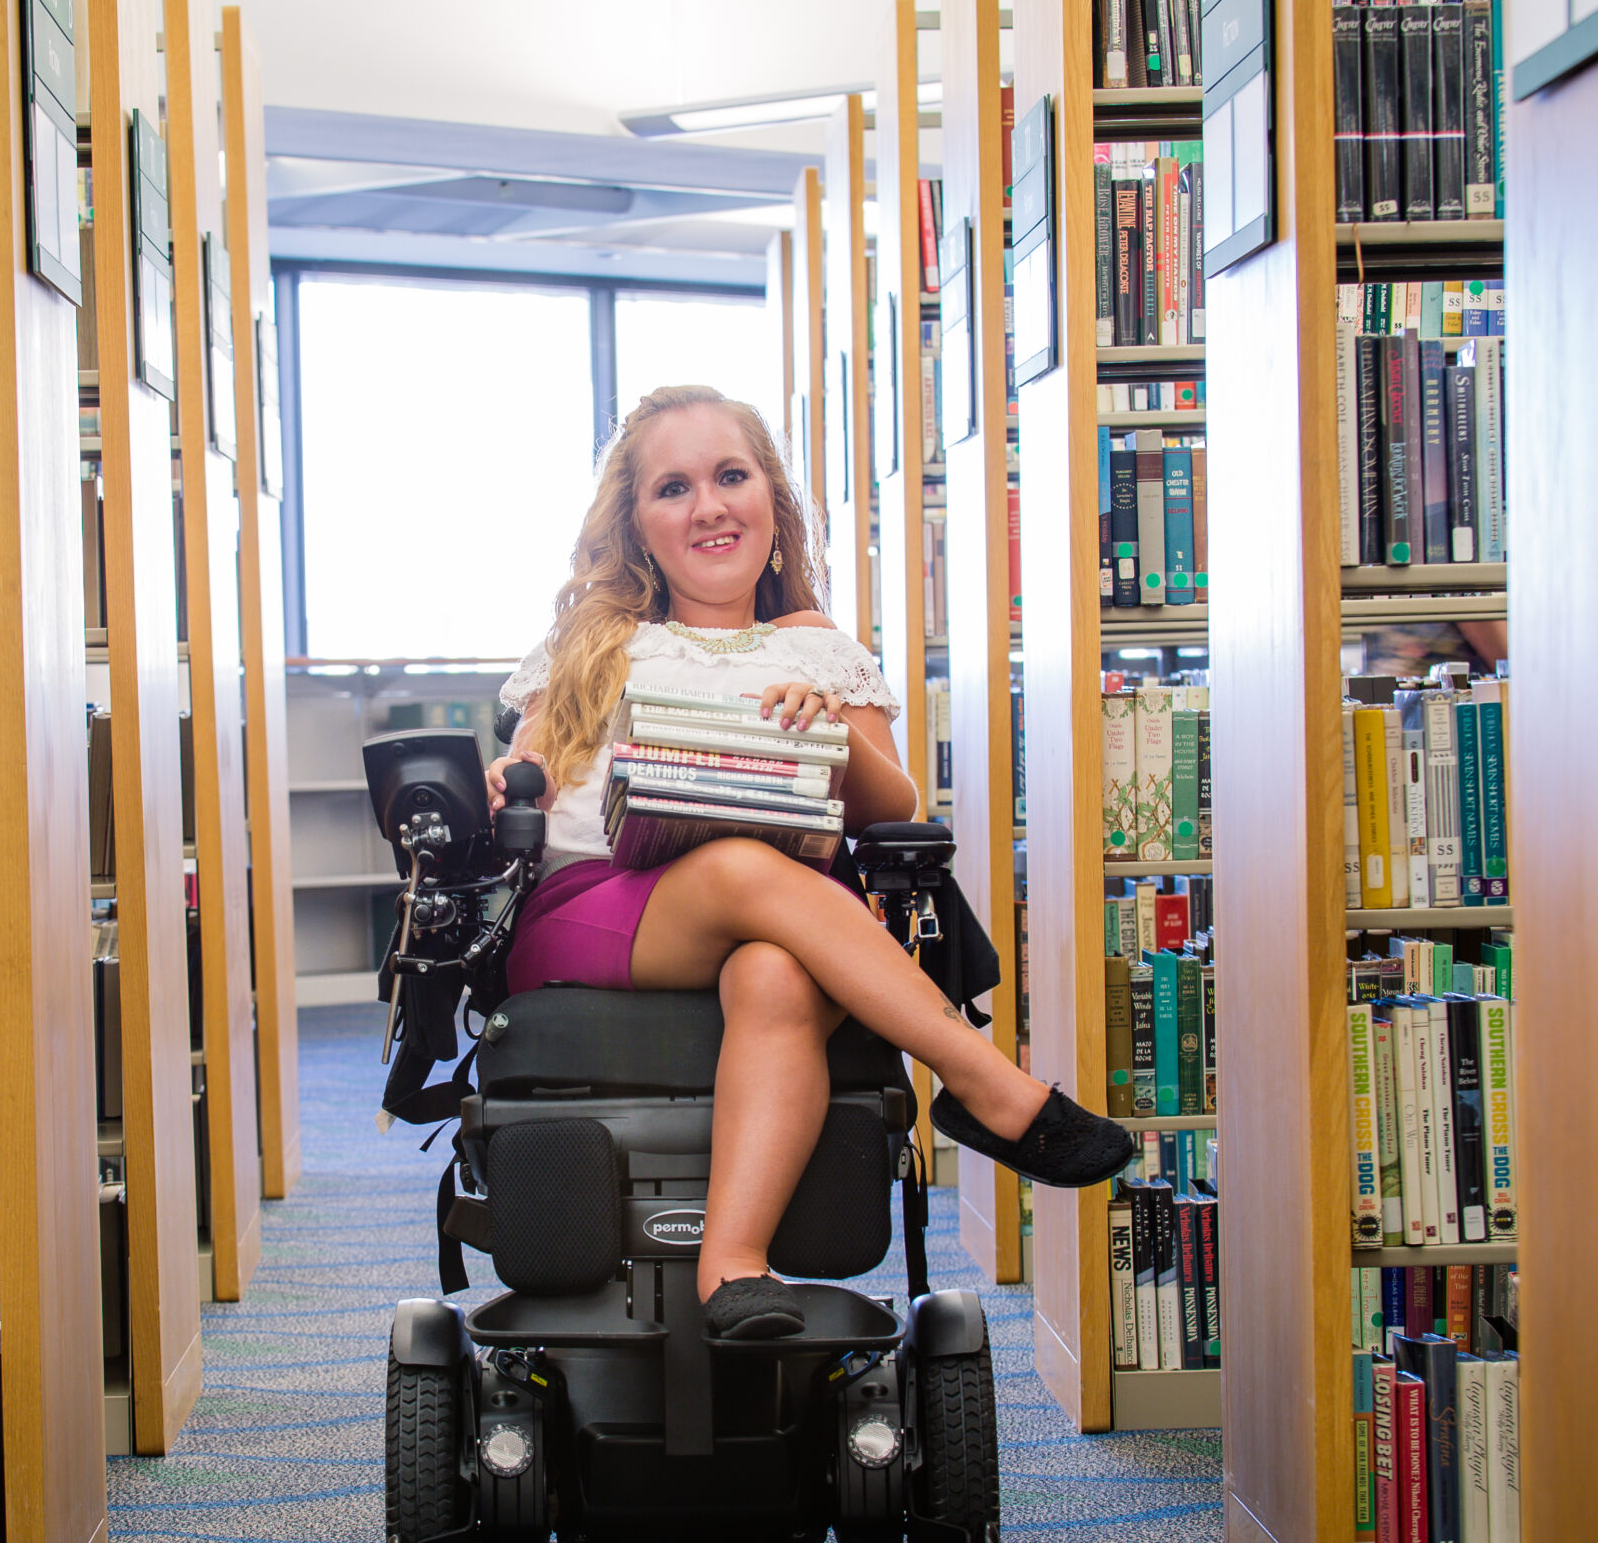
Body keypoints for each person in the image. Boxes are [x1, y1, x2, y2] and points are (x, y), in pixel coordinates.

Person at [486, 384, 1137, 1341]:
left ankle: (734, 1266)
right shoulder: (594, 642)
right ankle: (987, 1084)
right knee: (743, 868)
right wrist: (514, 774)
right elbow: (531, 767)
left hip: (793, 912)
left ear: (772, 505)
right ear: (637, 526)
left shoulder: (821, 649)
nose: (708, 505)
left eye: (730, 476)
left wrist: (832, 732)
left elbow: (892, 809)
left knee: (778, 969)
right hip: (604, 908)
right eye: (674, 488)